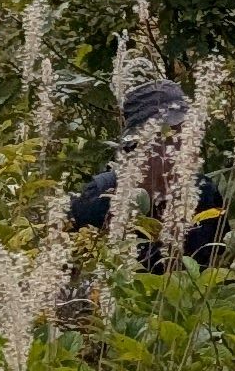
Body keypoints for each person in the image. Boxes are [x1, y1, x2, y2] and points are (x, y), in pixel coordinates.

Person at [64, 78, 225, 271]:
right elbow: (74, 274)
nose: (185, 148)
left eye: (189, 135)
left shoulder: (204, 193)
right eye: (171, 138)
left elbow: (221, 269)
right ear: (139, 145)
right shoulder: (102, 197)